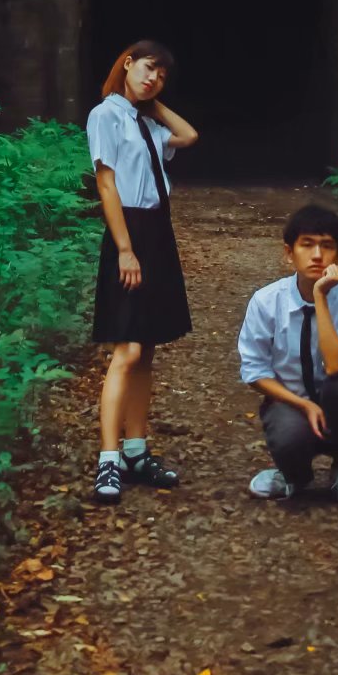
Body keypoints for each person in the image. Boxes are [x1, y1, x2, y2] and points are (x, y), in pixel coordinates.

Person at [86, 39, 199, 504]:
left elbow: (189, 136)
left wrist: (153, 105)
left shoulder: (146, 123)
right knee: (126, 349)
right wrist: (124, 249)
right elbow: (106, 182)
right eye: (148, 68)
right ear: (128, 63)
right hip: (129, 230)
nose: (153, 78)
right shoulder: (106, 116)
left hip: (157, 231)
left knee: (147, 347)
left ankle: (136, 451)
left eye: (162, 75)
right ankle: (107, 461)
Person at [237, 201, 338, 503]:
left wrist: (320, 297)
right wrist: (303, 405)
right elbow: (254, 372)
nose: (316, 255)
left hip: (336, 400)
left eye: (327, 246)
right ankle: (292, 475)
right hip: (289, 400)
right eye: (307, 244)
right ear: (289, 252)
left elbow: (336, 366)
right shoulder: (265, 301)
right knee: (289, 435)